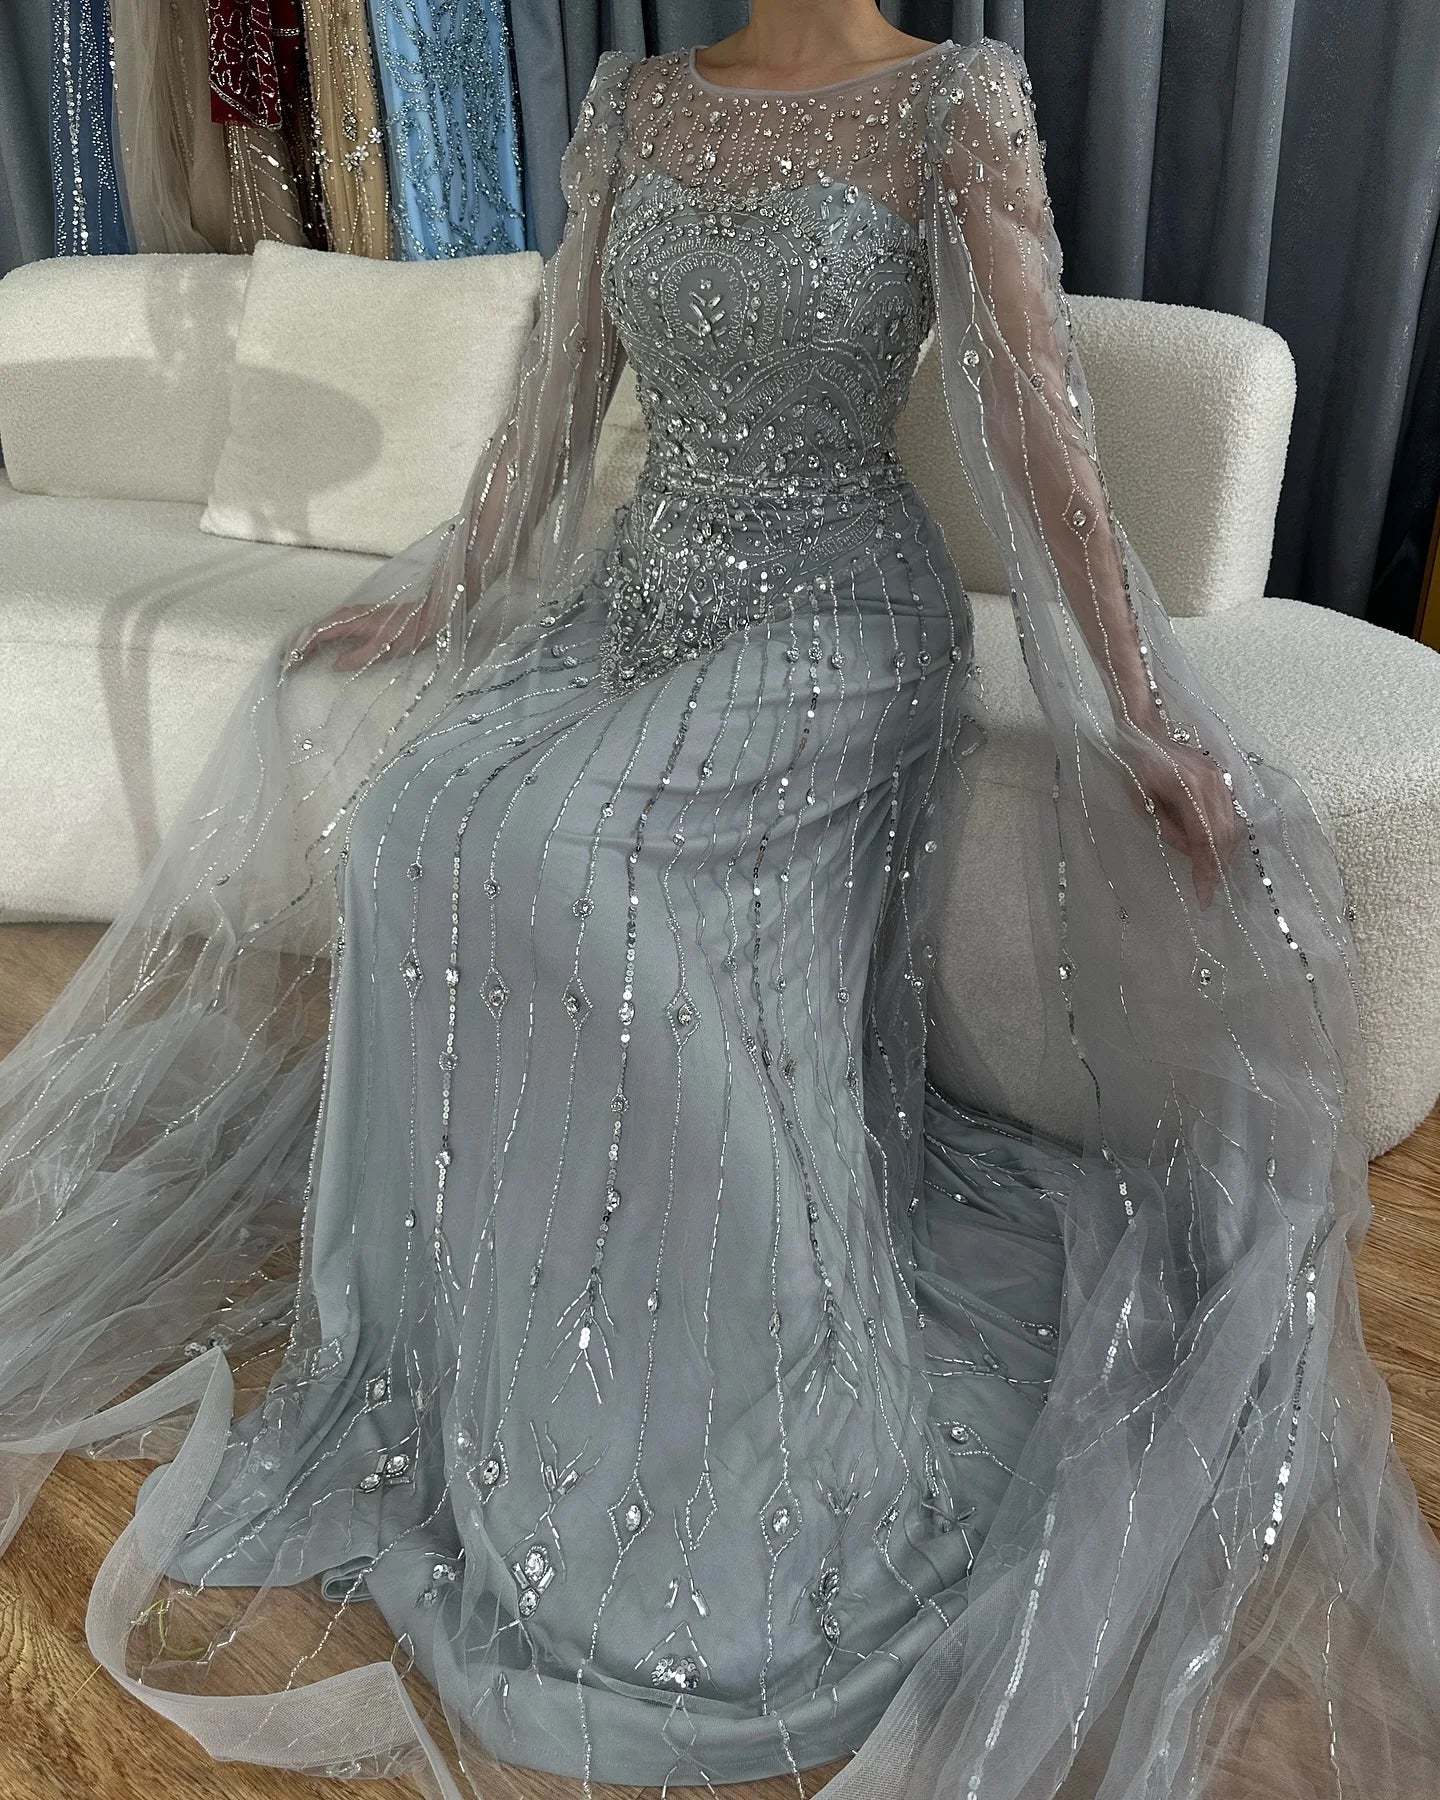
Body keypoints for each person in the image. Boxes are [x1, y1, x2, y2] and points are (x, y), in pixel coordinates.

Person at [1, 7, 1437, 1796]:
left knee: (559, 863)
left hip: (837, 615)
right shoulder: (635, 104)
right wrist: (447, 585)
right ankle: (494, 1341)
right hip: (642, 596)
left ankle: (699, 1342)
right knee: (413, 830)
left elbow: (1037, 425)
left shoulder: (954, 102)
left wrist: (1144, 706)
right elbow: (555, 396)